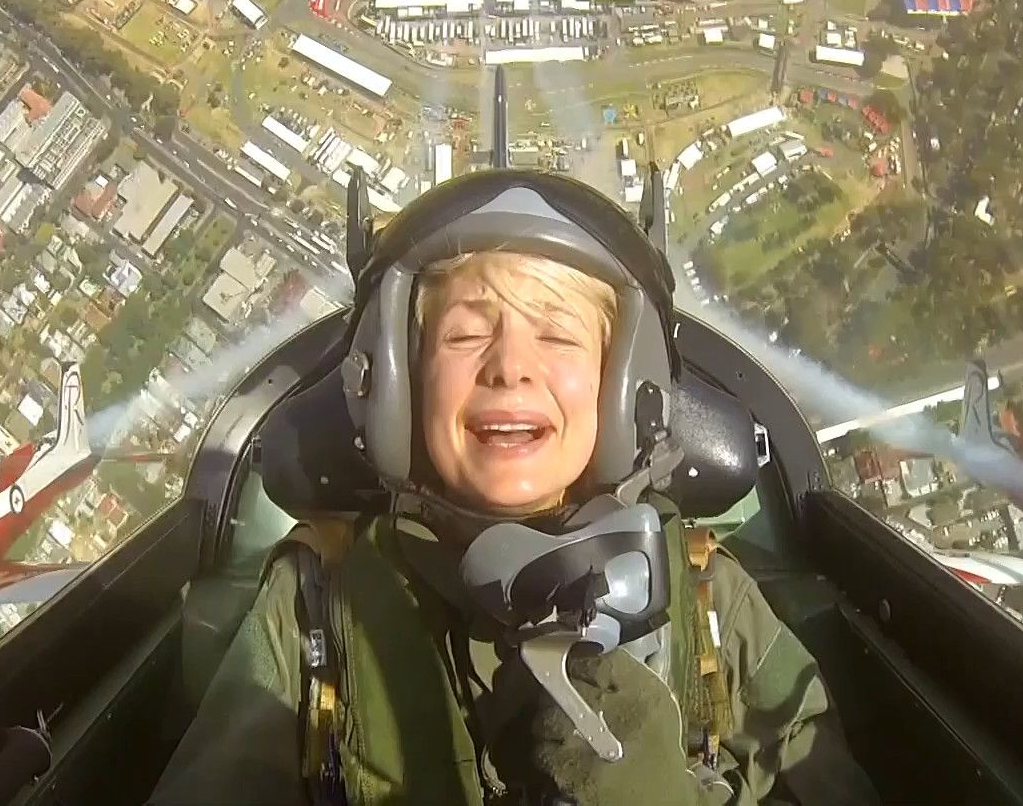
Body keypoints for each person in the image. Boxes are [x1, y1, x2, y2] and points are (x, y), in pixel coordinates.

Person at [152, 174, 877, 806]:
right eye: (465, 335)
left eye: (557, 336)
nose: (509, 367)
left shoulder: (708, 601)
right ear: (399, 384)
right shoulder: (315, 608)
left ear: (628, 390)